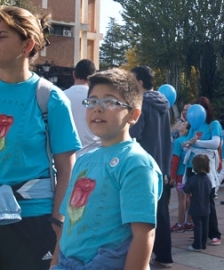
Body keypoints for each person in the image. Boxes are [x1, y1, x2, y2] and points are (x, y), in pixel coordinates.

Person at [53, 69, 163, 269]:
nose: (98, 108)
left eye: (110, 102)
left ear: (134, 115)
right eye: (92, 101)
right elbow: (67, 226)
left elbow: (143, 234)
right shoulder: (83, 161)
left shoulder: (135, 163)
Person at [0, 5, 81, 269]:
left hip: (33, 221)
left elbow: (67, 169)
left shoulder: (50, 98)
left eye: (1, 36)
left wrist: (58, 222)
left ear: (27, 45)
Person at [129, 65, 173, 268]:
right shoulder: (164, 104)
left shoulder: (142, 104)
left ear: (139, 82)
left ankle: (141, 256)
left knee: (141, 215)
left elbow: (135, 134)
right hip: (161, 165)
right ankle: (165, 255)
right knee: (161, 212)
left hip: (144, 165)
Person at [183, 96, 222, 246]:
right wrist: (186, 144)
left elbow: (215, 143)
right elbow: (188, 142)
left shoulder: (214, 124)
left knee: (208, 200)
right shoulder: (193, 125)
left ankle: (214, 233)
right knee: (195, 200)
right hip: (193, 165)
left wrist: (196, 142)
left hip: (207, 167)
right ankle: (200, 232)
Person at [64, 59, 98, 152]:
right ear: (93, 76)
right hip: (93, 152)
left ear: (74, 74)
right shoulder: (98, 99)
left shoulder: (61, 97)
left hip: (67, 155)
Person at [183, 154, 212, 252]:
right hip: (206, 206)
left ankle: (197, 244)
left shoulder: (193, 179)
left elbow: (186, 189)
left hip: (196, 205)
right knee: (205, 226)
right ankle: (203, 244)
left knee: (197, 226)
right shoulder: (208, 179)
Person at [169, 121, 193, 233]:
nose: (180, 125)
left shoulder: (178, 141)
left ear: (186, 130)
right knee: (189, 198)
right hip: (189, 172)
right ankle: (188, 221)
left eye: (183, 124)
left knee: (181, 199)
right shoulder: (191, 141)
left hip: (180, 174)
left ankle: (180, 223)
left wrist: (172, 176)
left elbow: (175, 160)